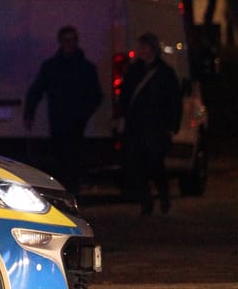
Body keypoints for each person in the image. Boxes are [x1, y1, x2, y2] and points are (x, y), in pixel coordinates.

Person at [23, 25, 102, 195]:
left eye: (73, 40)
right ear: (61, 42)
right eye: (67, 40)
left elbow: (96, 95)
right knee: (61, 160)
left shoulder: (85, 68)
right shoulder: (52, 67)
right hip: (59, 121)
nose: (70, 44)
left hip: (75, 122)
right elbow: (36, 90)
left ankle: (72, 193)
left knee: (72, 161)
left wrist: (83, 114)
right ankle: (66, 193)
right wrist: (29, 113)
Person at [117, 32, 182, 215]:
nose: (141, 50)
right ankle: (146, 201)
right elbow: (125, 96)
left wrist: (172, 125)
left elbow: (173, 100)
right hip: (137, 126)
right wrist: (122, 116)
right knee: (138, 165)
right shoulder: (134, 71)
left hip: (156, 126)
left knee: (155, 164)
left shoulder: (164, 73)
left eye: (144, 47)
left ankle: (163, 195)